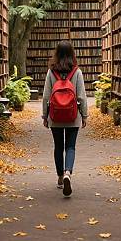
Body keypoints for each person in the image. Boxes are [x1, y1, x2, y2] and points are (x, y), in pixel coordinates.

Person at [42, 40, 88, 197]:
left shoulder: (51, 72)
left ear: (56, 53)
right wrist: (84, 115)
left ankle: (60, 177)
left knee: (58, 147)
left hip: (55, 116)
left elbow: (46, 96)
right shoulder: (76, 72)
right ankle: (68, 171)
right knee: (70, 147)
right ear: (72, 54)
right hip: (72, 116)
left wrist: (44, 116)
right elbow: (81, 96)